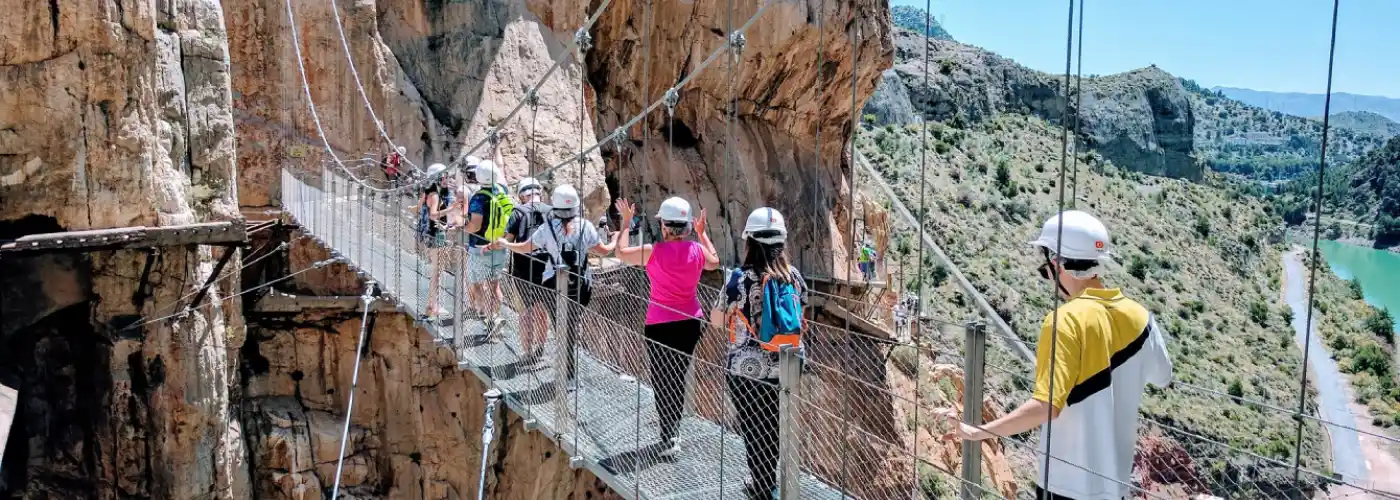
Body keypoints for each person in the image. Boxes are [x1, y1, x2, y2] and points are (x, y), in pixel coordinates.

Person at [935, 210, 1172, 500]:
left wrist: (978, 431)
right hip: (1117, 488)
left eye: (1046, 266)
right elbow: (1163, 376)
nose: (1047, 276)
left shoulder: (1065, 321)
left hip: (1065, 488)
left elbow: (1045, 406)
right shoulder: (1142, 318)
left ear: (1057, 262)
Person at [615, 196, 721, 458]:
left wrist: (627, 223)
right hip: (691, 322)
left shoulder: (654, 251)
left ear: (664, 227)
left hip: (660, 323)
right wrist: (703, 234)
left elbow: (620, 253)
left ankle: (669, 433)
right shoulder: (696, 250)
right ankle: (674, 430)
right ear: (686, 227)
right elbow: (714, 262)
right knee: (678, 373)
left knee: (663, 378)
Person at [721, 207, 806, 500]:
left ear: (750, 242)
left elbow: (718, 320)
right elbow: (800, 315)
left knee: (753, 428)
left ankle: (761, 486)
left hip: (746, 369)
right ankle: (775, 483)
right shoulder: (793, 277)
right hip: (786, 364)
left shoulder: (738, 278)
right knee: (775, 426)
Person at [495, 185, 617, 383]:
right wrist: (618, 237)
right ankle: (568, 371)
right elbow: (605, 251)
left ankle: (566, 369)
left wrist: (506, 243)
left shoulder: (547, 228)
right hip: (582, 286)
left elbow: (525, 247)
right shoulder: (585, 226)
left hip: (553, 286)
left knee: (561, 326)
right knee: (569, 326)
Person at [503, 177, 552, 360]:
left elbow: (508, 241)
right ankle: (540, 348)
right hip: (548, 268)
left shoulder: (519, 211)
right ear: (539, 192)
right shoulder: (552, 211)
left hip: (523, 269)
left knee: (525, 312)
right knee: (542, 311)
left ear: (523, 195)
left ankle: (526, 351)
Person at [462, 158, 511, 334]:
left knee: (476, 283)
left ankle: (489, 318)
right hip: (499, 246)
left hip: (480, 248)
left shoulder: (479, 198)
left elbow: (475, 225)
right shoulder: (502, 191)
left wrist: (462, 228)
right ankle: (496, 316)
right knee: (495, 285)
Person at [415, 163, 453, 318]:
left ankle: (432, 305)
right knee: (437, 272)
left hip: (428, 235)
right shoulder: (435, 194)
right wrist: (451, 209)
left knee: (436, 271)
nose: (447, 179)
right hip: (436, 235)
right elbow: (433, 214)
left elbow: (418, 209)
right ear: (439, 177)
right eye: (445, 176)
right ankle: (432, 306)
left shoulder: (427, 191)